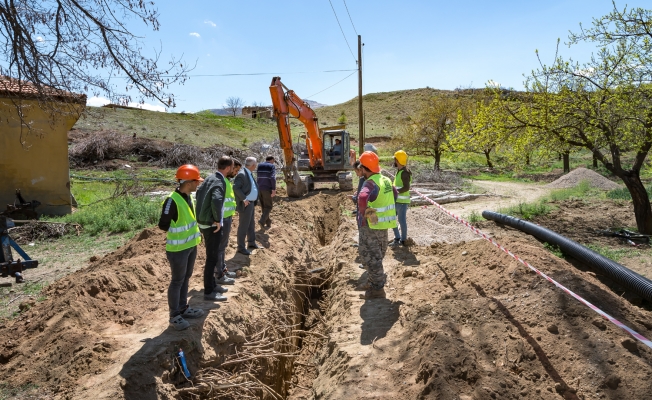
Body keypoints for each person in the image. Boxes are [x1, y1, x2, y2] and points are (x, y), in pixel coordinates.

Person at [158, 164, 204, 331]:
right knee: (177, 280)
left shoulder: (188, 197)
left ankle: (183, 308)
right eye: (196, 181)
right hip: (178, 249)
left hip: (190, 246)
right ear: (188, 182)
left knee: (186, 277)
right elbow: (163, 224)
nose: (198, 184)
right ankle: (174, 315)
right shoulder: (172, 200)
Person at [357, 151, 398, 299]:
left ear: (364, 168)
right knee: (377, 255)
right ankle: (373, 282)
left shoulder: (371, 183)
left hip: (372, 226)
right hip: (383, 225)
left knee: (369, 257)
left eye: (360, 167)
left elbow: (362, 198)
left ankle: (377, 290)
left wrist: (365, 213)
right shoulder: (385, 179)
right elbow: (395, 193)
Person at [196, 156, 235, 302]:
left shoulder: (209, 178)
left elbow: (199, 194)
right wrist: (218, 220)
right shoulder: (219, 181)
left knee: (212, 256)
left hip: (204, 222)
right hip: (212, 225)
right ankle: (209, 291)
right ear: (227, 167)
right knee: (211, 258)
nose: (233, 169)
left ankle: (212, 284)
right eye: (232, 167)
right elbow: (217, 199)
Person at [233, 157, 263, 255]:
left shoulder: (248, 173)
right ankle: (241, 247)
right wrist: (244, 199)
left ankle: (251, 242)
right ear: (253, 165)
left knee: (251, 224)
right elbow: (236, 187)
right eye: (255, 164)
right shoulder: (242, 174)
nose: (256, 166)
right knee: (243, 226)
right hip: (246, 203)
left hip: (250, 203)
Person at [390, 150, 412, 246]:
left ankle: (403, 240)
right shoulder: (399, 172)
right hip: (396, 200)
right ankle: (397, 237)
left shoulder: (404, 173)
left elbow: (406, 187)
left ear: (398, 160)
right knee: (391, 218)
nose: (394, 161)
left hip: (402, 202)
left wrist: (396, 191)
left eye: (395, 159)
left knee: (401, 221)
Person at [256, 155, 277, 229]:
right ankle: (262, 221)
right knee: (268, 206)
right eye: (273, 161)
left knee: (263, 206)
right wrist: (273, 189)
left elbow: (258, 176)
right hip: (267, 188)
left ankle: (267, 222)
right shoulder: (271, 166)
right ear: (272, 160)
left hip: (259, 188)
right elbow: (272, 178)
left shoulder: (260, 165)